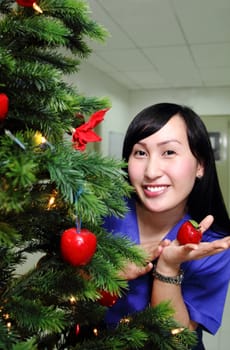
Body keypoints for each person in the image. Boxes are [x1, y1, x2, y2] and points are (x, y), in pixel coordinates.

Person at [103, 103, 230, 349]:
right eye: (140, 153)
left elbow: (178, 341)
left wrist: (169, 268)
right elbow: (60, 292)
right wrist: (110, 272)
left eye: (169, 152)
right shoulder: (104, 215)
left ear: (200, 165)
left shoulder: (214, 244)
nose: (151, 171)